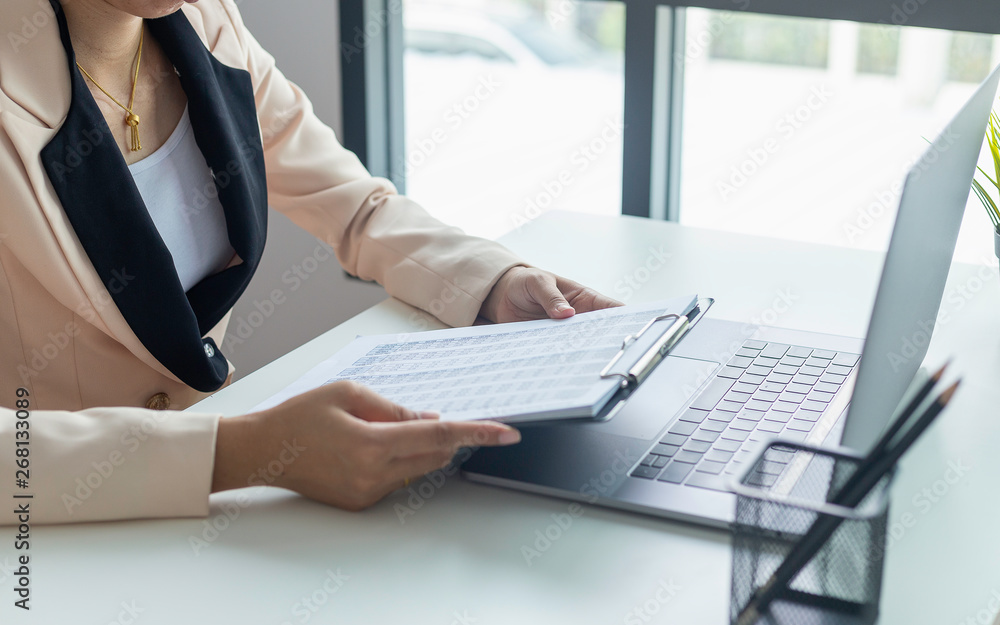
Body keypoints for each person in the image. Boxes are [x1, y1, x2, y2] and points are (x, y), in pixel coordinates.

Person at [0, 0, 620, 525]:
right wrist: (244, 450)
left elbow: (352, 204)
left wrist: (490, 280)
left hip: (211, 514)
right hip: (48, 532)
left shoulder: (209, 21)